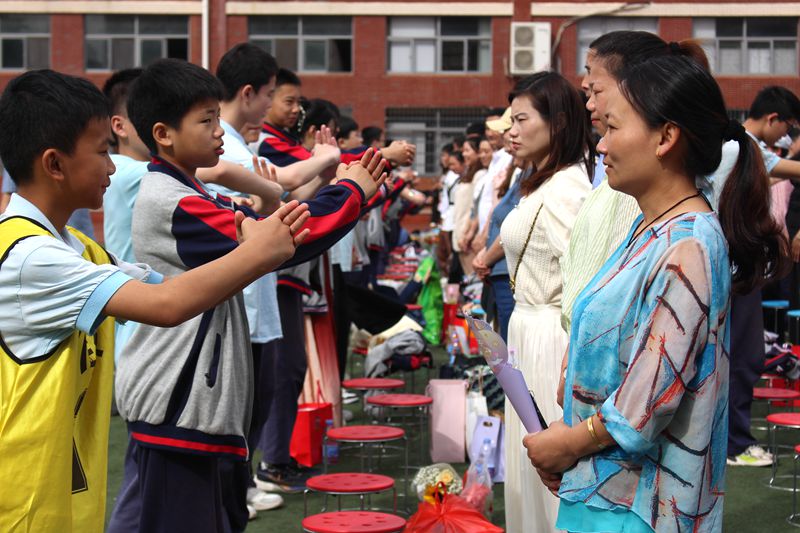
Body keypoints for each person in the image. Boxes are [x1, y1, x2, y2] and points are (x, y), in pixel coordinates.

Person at [0, 68, 311, 532]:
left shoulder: (74, 247)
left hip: (58, 482)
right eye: (103, 151)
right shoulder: (33, 258)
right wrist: (257, 251)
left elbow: (161, 284)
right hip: (26, 495)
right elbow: (166, 305)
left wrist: (250, 240)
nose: (112, 166)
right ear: (55, 164)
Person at [111, 58, 386, 532]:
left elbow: (265, 227)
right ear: (163, 133)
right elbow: (283, 241)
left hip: (188, 402)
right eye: (206, 120)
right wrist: (350, 192)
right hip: (180, 404)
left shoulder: (190, 189)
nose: (220, 131)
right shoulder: (173, 201)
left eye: (218, 117)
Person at [524, 53, 787, 533]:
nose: (601, 146)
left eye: (613, 129)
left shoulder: (687, 243)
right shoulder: (651, 229)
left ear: (666, 137)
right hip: (606, 487)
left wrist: (568, 443)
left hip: (642, 503)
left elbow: (646, 403)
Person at [500, 71, 594, 532]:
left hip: (550, 341)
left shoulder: (568, 189)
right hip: (527, 333)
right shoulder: (544, 182)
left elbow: (587, 281)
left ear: (557, 123)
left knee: (549, 480)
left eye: (521, 119)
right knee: (531, 479)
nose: (510, 130)